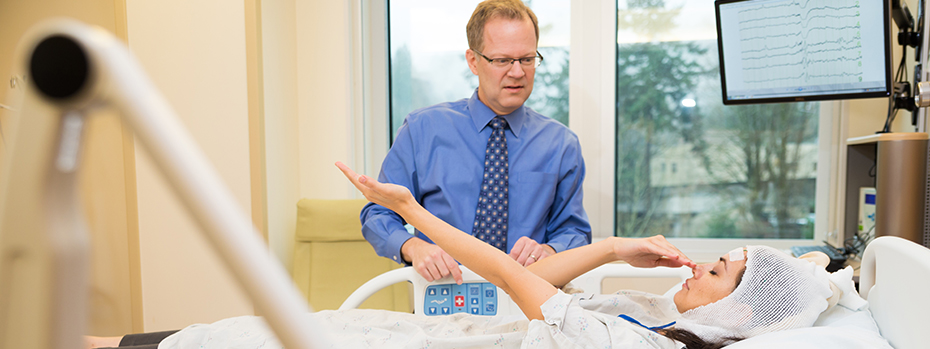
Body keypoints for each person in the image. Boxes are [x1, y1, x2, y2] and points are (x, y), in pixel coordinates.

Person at [87, 163, 835, 349]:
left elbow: (514, 275)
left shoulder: (630, 341)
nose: (702, 266)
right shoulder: (641, 323)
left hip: (448, 331)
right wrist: (612, 249)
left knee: (251, 338)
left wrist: (416, 209)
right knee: (264, 329)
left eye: (721, 271)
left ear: (741, 309)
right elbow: (533, 291)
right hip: (436, 326)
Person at [361, 0, 591, 284]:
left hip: (528, 303)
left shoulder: (561, 144)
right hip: (441, 302)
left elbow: (575, 232)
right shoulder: (423, 130)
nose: (518, 72)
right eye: (503, 60)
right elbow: (378, 212)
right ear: (473, 61)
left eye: (527, 59)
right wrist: (413, 247)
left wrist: (549, 250)